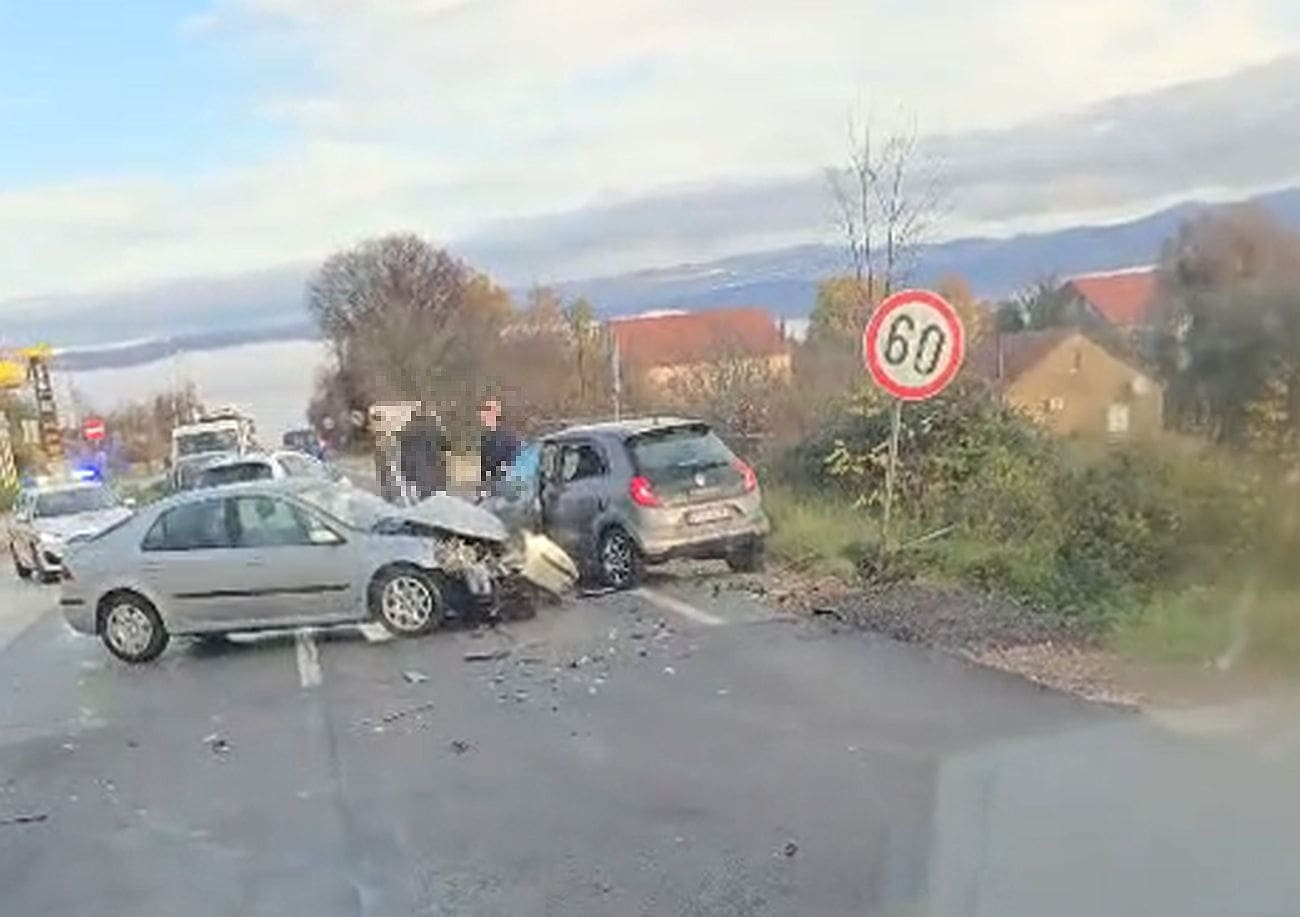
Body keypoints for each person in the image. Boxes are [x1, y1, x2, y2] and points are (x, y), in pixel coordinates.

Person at [398, 403, 449, 503]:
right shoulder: (435, 430)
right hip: (433, 472)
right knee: (434, 499)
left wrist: (406, 475)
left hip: (417, 474)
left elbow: (403, 457)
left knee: (422, 499)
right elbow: (445, 449)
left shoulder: (406, 433)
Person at [479, 397, 521, 487]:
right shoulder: (486, 437)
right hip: (492, 485)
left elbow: (512, 462)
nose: (483, 415)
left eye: (487, 412)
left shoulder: (508, 437)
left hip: (504, 484)